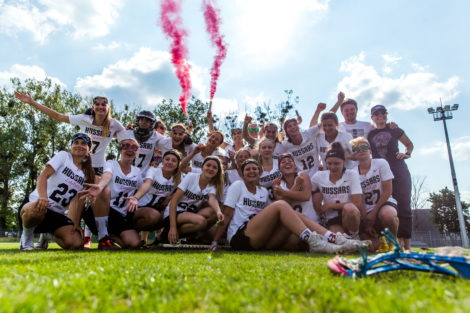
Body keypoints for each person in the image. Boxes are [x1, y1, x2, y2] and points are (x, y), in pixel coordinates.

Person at [14, 92, 121, 248]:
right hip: (42, 201)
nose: (100, 106)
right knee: (38, 208)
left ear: (108, 107)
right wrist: (32, 102)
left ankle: (86, 235)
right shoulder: (65, 153)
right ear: (93, 107)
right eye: (96, 104)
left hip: (93, 167)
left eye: (103, 104)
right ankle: (28, 236)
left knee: (98, 194)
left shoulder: (114, 124)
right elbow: (58, 116)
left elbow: (127, 137)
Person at [211, 159, 347, 253]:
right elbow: (227, 214)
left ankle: (334, 238)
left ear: (259, 173)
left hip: (260, 238)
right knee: (280, 204)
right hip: (240, 237)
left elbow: (283, 210)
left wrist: (294, 186)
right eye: (248, 169)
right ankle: (314, 241)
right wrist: (215, 241)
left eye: (255, 169)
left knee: (295, 215)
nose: (252, 171)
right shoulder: (238, 185)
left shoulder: (263, 191)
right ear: (242, 174)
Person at [18, 133, 95, 250]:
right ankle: (27, 238)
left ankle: (46, 235)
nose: (79, 146)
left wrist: (76, 223)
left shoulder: (88, 172)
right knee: (36, 210)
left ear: (89, 149)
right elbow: (43, 176)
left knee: (76, 243)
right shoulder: (64, 156)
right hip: (36, 205)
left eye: (84, 144)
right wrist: (43, 197)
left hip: (56, 214)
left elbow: (79, 200)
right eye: (76, 143)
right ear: (71, 145)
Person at [79, 138, 144, 249]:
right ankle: (103, 238)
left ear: (137, 153)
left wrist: (135, 198)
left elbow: (143, 187)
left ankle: (110, 236)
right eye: (126, 147)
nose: (130, 150)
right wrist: (100, 186)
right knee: (104, 189)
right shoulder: (111, 164)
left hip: (119, 215)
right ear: (120, 150)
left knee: (134, 244)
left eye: (134, 148)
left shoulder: (137, 172)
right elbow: (107, 175)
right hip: (103, 211)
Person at [367, 104, 414, 250]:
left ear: (386, 115)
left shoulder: (394, 129)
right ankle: (388, 242)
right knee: (384, 205)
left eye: (383, 113)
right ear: (372, 117)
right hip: (380, 174)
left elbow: (409, 144)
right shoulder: (370, 134)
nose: (380, 116)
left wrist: (406, 154)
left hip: (398, 170)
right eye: (376, 114)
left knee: (404, 206)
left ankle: (406, 245)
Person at [125, 150, 183, 247]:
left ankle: (161, 238)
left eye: (173, 160)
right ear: (162, 161)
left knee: (170, 216)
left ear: (178, 164)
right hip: (140, 208)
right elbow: (147, 184)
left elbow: (182, 190)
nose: (169, 162)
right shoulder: (154, 170)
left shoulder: (179, 177)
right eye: (167, 159)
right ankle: (129, 230)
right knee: (154, 216)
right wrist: (136, 198)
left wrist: (170, 197)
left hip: (156, 210)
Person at [350, 137, 399, 251]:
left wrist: (374, 212)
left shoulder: (381, 163)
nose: (361, 150)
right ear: (354, 155)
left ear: (370, 151)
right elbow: (358, 198)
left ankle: (393, 241)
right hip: (365, 211)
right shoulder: (352, 172)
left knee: (388, 215)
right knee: (371, 248)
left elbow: (388, 191)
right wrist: (366, 221)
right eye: (356, 149)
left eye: (364, 147)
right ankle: (380, 240)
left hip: (383, 204)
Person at [163, 156, 225, 244]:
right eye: (208, 165)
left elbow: (212, 199)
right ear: (202, 167)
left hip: (190, 214)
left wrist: (218, 211)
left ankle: (192, 238)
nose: (211, 169)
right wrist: (173, 228)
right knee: (201, 222)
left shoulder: (212, 185)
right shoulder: (191, 177)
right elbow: (173, 201)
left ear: (217, 172)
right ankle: (167, 234)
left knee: (213, 213)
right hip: (173, 214)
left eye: (214, 167)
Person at [311, 142, 363, 239]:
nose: (333, 167)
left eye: (336, 163)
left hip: (350, 216)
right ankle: (350, 242)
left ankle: (355, 236)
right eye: (329, 163)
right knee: (340, 239)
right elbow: (309, 191)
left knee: (350, 208)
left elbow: (356, 203)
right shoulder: (319, 176)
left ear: (344, 162)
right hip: (332, 218)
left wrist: (329, 205)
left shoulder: (351, 174)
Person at [257, 138, 282, 204]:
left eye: (269, 147)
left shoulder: (280, 162)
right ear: (259, 150)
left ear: (273, 149)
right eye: (264, 148)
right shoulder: (256, 168)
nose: (267, 150)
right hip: (266, 206)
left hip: (284, 201)